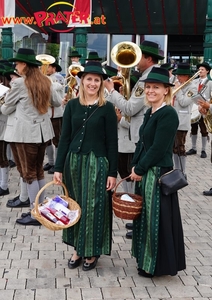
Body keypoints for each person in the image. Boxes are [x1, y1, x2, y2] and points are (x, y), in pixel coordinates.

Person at [53, 61, 118, 271]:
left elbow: (112, 142)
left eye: (96, 80)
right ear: (82, 81)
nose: (92, 83)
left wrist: (112, 172)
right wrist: (58, 167)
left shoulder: (107, 108)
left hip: (97, 163)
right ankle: (77, 249)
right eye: (89, 79)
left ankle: (91, 251)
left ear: (101, 83)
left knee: (94, 207)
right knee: (74, 205)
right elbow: (64, 138)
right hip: (74, 162)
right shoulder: (72, 105)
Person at [104, 40, 164, 239]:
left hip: (142, 136)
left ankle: (142, 223)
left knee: (144, 183)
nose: (136, 63)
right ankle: (140, 221)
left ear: (148, 58)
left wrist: (111, 91)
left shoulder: (147, 79)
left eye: (139, 58)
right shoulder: (149, 76)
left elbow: (130, 109)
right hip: (141, 133)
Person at [130, 67, 186, 277]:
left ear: (166, 90)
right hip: (144, 172)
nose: (151, 90)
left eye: (156, 87)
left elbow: (159, 148)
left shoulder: (168, 113)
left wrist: (141, 168)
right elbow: (143, 143)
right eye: (148, 87)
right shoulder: (150, 111)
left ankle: (156, 265)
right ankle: (145, 259)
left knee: (156, 219)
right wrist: (134, 167)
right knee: (144, 218)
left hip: (157, 173)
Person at [1, 48, 62, 225]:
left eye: (18, 63)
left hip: (25, 134)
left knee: (28, 174)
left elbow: (5, 109)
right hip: (42, 132)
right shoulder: (46, 81)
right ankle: (41, 209)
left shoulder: (20, 83)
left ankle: (36, 213)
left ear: (25, 65)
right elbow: (57, 102)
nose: (15, 66)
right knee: (38, 172)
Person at [172, 63, 197, 174]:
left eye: (180, 75)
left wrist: (178, 90)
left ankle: (182, 171)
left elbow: (184, 102)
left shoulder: (192, 88)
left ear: (187, 76)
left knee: (180, 147)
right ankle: (176, 169)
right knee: (173, 147)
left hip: (182, 122)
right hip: (173, 119)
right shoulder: (178, 84)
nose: (178, 78)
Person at [186, 62, 212, 158]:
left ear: (207, 71)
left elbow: (211, 96)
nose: (200, 71)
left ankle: (204, 149)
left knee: (204, 130)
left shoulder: (210, 83)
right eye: (199, 69)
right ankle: (193, 148)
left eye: (202, 69)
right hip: (194, 108)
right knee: (193, 129)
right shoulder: (194, 81)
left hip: (204, 108)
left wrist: (206, 104)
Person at [43, 61, 64, 174]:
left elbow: (56, 87)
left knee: (57, 140)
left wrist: (44, 81)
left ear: (54, 68)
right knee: (47, 140)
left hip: (56, 114)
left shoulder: (58, 78)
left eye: (49, 66)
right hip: (46, 113)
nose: (45, 68)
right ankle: (50, 162)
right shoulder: (44, 78)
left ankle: (57, 164)